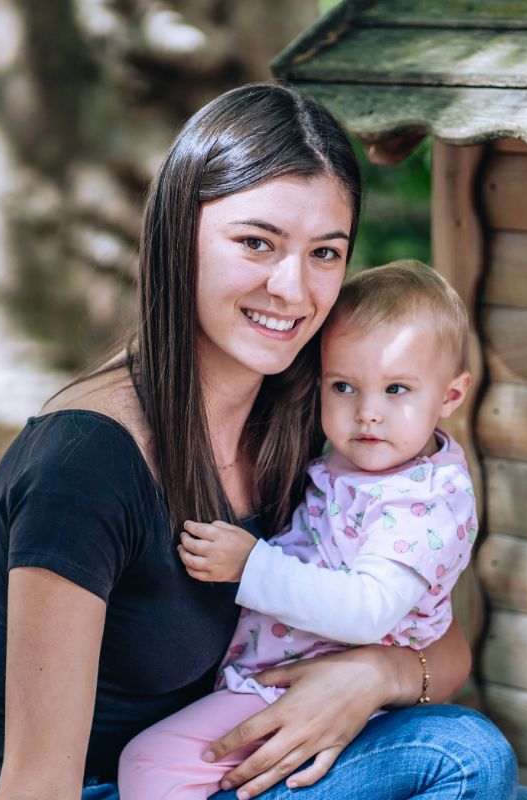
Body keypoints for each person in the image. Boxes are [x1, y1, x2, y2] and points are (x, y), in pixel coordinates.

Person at [0, 83, 519, 800]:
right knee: (462, 756)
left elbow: (442, 646)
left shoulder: (324, 416)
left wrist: (368, 677)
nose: (291, 287)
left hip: (228, 768)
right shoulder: (84, 465)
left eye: (325, 252)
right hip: (97, 788)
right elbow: (35, 785)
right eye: (256, 242)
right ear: (182, 233)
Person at [117, 261, 484, 799]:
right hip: (293, 673)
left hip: (308, 683)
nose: (367, 414)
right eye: (344, 386)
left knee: (153, 764)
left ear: (451, 397)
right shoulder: (368, 468)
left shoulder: (422, 504)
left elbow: (367, 610)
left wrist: (252, 567)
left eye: (397, 389)